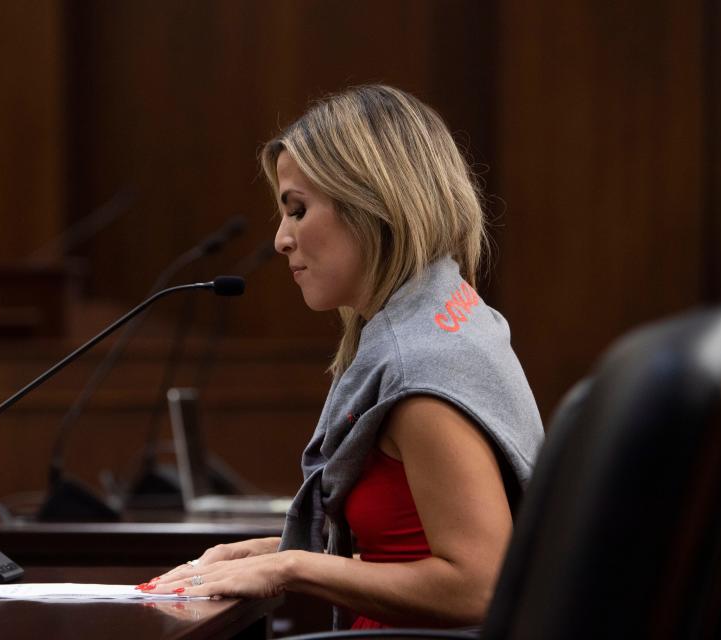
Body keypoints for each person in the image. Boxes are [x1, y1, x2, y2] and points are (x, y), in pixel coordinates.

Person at [143, 85, 544, 629]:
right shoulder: (454, 316)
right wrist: (275, 551)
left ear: (372, 203)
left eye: (299, 210)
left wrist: (292, 568)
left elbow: (478, 586)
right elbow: (405, 548)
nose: (282, 239)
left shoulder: (420, 367)